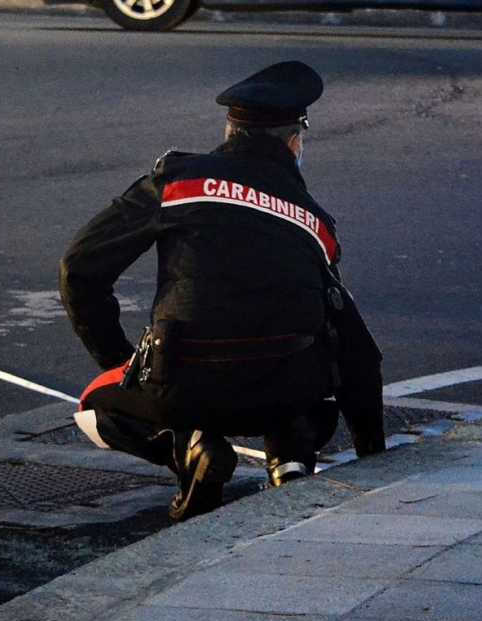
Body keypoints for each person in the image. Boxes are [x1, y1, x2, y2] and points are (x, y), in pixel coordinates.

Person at [60, 61, 386, 523]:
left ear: (230, 131)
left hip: (183, 388)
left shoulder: (175, 183)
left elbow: (79, 268)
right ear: (295, 141)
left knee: (94, 407)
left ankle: (188, 449)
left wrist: (119, 362)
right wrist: (374, 454)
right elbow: (357, 350)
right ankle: (289, 461)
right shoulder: (315, 222)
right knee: (303, 350)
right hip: (284, 393)